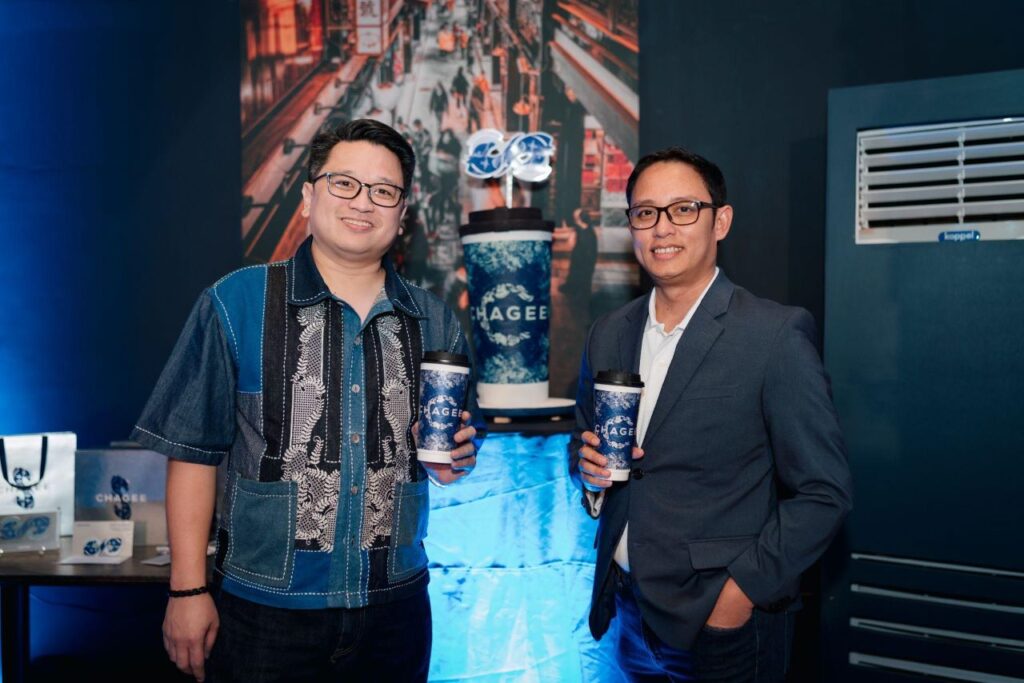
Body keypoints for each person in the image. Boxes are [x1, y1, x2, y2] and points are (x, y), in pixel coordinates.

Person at [134, 119, 481, 683]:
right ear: (307, 196)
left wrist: (452, 460)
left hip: (394, 609)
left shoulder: (435, 320)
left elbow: (448, 458)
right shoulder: (236, 302)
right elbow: (193, 455)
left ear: (402, 213)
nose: (362, 203)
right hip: (263, 611)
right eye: (344, 183)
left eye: (383, 191)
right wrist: (188, 591)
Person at [570, 147, 853, 681]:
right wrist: (589, 474)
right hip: (627, 612)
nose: (662, 228)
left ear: (720, 221)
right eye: (645, 212)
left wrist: (739, 594)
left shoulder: (773, 335)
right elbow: (584, 442)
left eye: (683, 209)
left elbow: (824, 493)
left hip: (722, 626)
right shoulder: (608, 332)